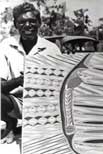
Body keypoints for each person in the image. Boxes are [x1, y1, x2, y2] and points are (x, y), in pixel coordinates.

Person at [0, 2, 61, 143]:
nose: (28, 25)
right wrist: (20, 80)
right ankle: (11, 123)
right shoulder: (5, 46)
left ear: (39, 23)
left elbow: (61, 84)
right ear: (16, 25)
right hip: (16, 103)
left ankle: (47, 129)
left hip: (45, 104)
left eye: (32, 21)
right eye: (22, 22)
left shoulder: (51, 49)